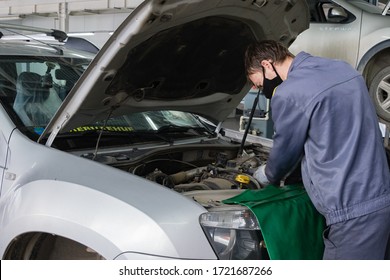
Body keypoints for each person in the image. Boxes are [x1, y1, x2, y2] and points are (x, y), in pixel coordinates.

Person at [245, 40, 390, 259]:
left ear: (267, 64)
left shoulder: (289, 92)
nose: (256, 88)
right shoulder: (343, 69)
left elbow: (285, 154)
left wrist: (266, 174)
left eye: (254, 81)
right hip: (381, 196)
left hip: (352, 212)